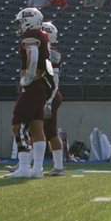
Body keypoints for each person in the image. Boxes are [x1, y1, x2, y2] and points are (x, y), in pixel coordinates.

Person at [7, 7, 53, 179]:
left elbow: (33, 56)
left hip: (33, 86)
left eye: (20, 22)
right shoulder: (42, 35)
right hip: (41, 86)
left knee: (17, 126)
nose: (19, 26)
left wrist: (28, 77)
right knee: (36, 127)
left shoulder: (30, 36)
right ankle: (37, 169)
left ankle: (25, 167)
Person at [40, 21, 66, 176]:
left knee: (34, 130)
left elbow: (54, 80)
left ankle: (24, 164)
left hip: (48, 95)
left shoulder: (53, 52)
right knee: (50, 133)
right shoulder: (47, 50)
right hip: (49, 95)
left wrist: (48, 101)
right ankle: (59, 167)